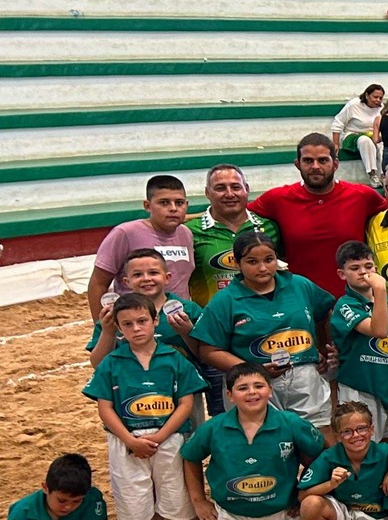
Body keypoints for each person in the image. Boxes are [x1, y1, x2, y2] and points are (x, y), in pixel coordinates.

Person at [83, 294, 205, 520]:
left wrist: (161, 436)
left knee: (176, 494)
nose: (136, 328)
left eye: (142, 321)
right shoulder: (111, 363)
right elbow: (104, 407)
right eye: (128, 324)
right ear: (118, 328)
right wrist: (129, 439)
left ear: (155, 321)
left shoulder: (174, 359)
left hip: (170, 438)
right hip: (126, 443)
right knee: (130, 497)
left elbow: (186, 403)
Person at [180, 365, 325, 520]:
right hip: (233, 517)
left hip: (282, 515)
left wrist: (304, 491)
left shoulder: (291, 423)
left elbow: (319, 457)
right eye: (242, 388)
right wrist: (199, 500)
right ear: (230, 395)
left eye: (259, 386)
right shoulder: (213, 428)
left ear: (269, 390)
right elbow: (190, 457)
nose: (252, 392)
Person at [191, 230, 335, 434]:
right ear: (237, 263)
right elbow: (208, 351)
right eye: (252, 261)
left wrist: (321, 348)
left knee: (318, 437)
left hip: (305, 377)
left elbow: (325, 312)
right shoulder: (225, 300)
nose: (262, 268)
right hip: (253, 384)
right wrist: (253, 369)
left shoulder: (299, 285)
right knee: (263, 442)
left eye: (269, 259)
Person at [249, 134, 386, 297]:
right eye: (308, 161)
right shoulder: (276, 199)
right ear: (297, 164)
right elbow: (236, 215)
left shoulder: (363, 196)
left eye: (323, 160)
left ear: (335, 164)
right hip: (301, 300)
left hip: (354, 301)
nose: (315, 166)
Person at [87, 175, 194, 309]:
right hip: (136, 317)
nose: (173, 208)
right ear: (147, 206)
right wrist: (100, 322)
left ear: (186, 205)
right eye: (164, 203)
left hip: (178, 317)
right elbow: (98, 283)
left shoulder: (186, 234)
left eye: (179, 203)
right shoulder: (125, 233)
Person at [330, 243, 388, 442]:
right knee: (362, 443)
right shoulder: (345, 304)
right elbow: (378, 331)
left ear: (376, 268)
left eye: (368, 266)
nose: (363, 272)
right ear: (342, 274)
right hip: (360, 386)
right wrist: (380, 289)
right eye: (355, 268)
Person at [188, 164, 275, 315]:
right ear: (207, 193)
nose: (229, 194)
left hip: (263, 317)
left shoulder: (269, 227)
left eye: (236, 187)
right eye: (220, 188)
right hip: (213, 321)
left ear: (246, 189)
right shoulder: (189, 231)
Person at [328, 84, 385, 181]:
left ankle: (384, 174)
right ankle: (372, 174)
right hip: (353, 135)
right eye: (375, 97)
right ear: (367, 95)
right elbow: (338, 122)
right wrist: (335, 143)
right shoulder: (354, 105)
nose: (378, 100)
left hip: (373, 134)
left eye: (380, 98)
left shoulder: (381, 107)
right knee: (365, 141)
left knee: (382, 144)